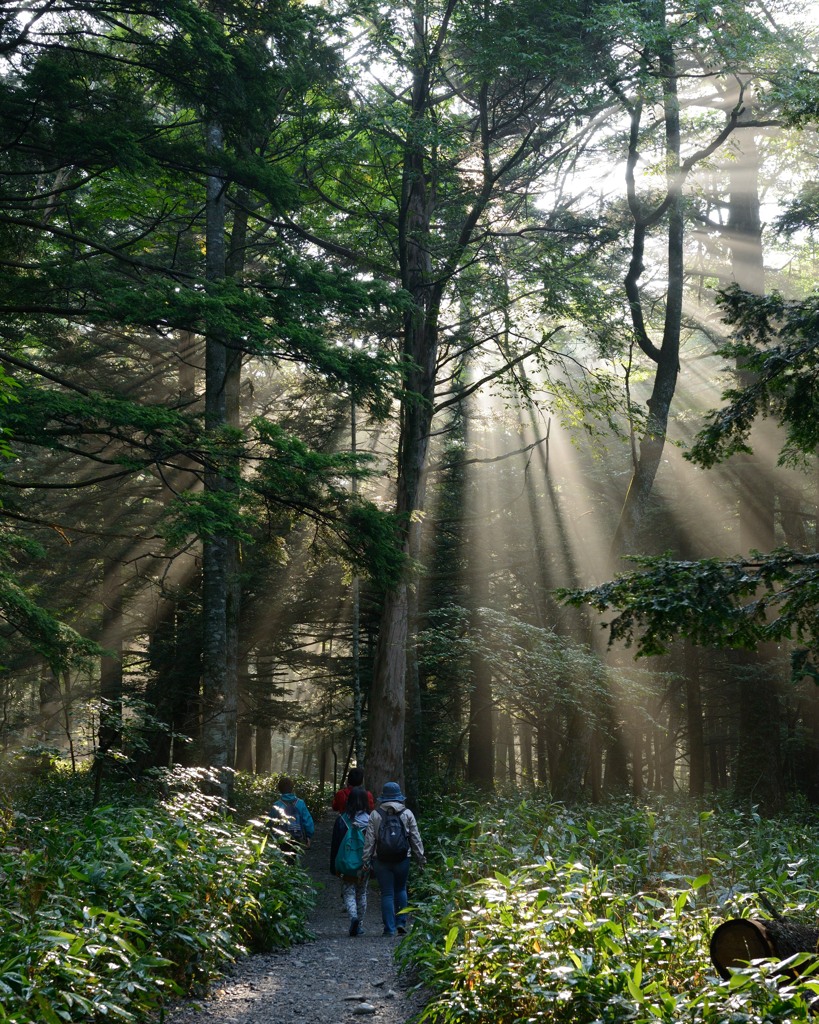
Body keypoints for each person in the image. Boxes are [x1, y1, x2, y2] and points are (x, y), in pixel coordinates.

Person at [363, 781, 425, 937]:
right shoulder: (407, 813)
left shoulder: (375, 815)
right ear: (399, 797)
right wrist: (420, 858)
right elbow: (415, 838)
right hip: (403, 858)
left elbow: (370, 840)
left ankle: (389, 929)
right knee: (401, 889)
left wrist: (365, 860)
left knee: (387, 893)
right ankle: (401, 923)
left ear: (383, 797)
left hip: (381, 859)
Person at [329, 786, 371, 936]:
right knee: (362, 892)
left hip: (346, 864)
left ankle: (353, 917)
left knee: (348, 892)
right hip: (365, 864)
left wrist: (334, 866)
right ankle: (359, 924)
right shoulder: (370, 820)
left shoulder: (342, 820)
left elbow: (335, 845)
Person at [270, 776, 315, 848]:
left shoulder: (277, 805)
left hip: (281, 839)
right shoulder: (300, 803)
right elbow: (307, 821)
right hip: (297, 838)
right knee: (294, 857)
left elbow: (270, 822)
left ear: (279, 789)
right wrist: (308, 836)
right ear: (292, 788)